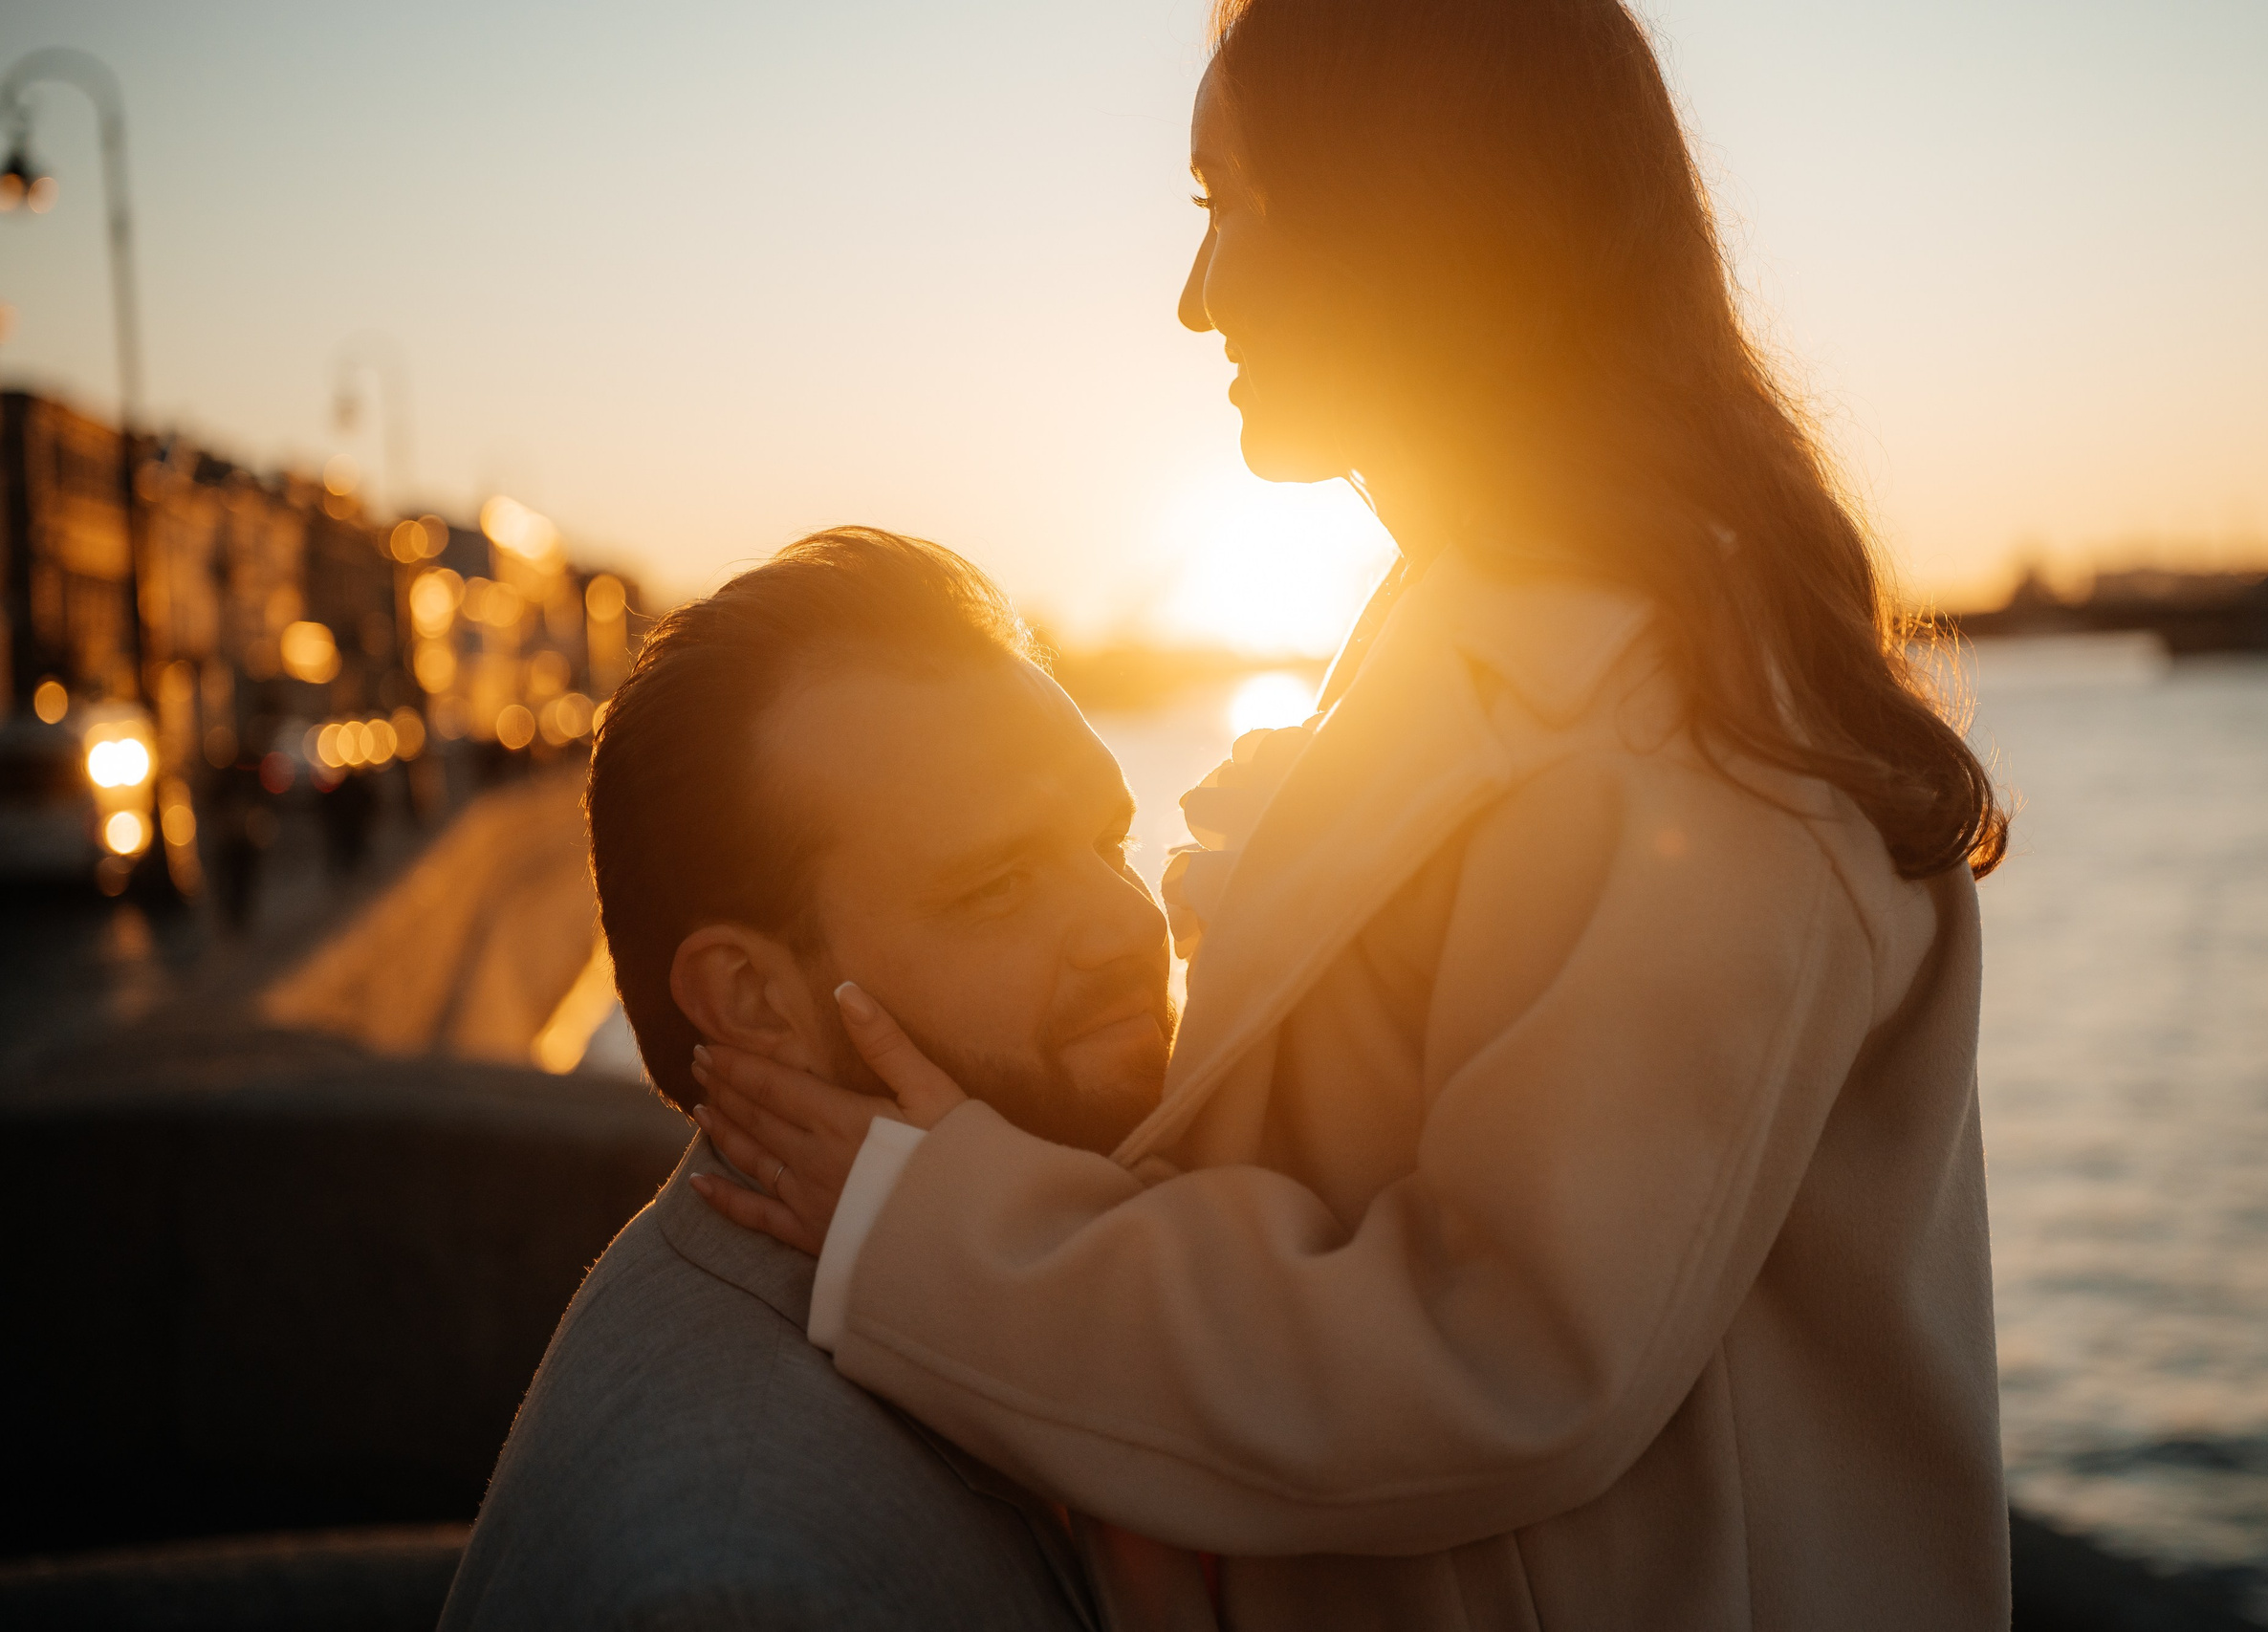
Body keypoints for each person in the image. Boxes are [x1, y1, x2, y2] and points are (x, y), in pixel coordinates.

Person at [687, 0, 2016, 1628]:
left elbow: (1504, 1363)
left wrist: (933, 1235)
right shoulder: (1479, 648)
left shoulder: (1689, 745)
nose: (1197, 296)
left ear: (1418, 217)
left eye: (1232, 206)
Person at [439, 529, 1174, 1632]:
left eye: (1111, 844)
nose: (1130, 926)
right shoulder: (747, 1588)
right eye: (998, 885)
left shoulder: (933, 1298)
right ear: (753, 1002)